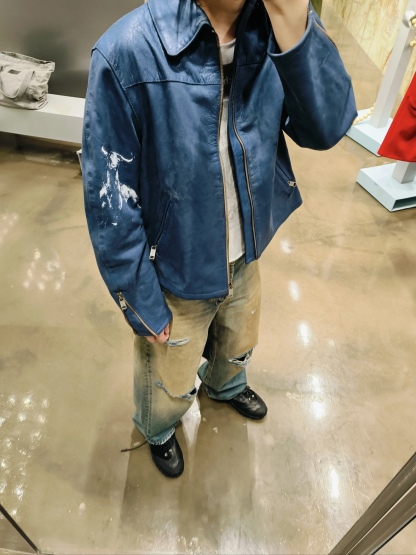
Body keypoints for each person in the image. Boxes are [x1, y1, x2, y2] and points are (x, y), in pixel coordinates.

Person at [82, 0, 357, 478]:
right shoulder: (128, 50)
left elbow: (327, 127)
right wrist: (139, 298)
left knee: (239, 338)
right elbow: (110, 199)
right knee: (168, 374)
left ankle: (225, 385)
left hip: (245, 250)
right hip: (176, 265)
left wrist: (295, 23)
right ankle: (158, 427)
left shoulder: (274, 29)